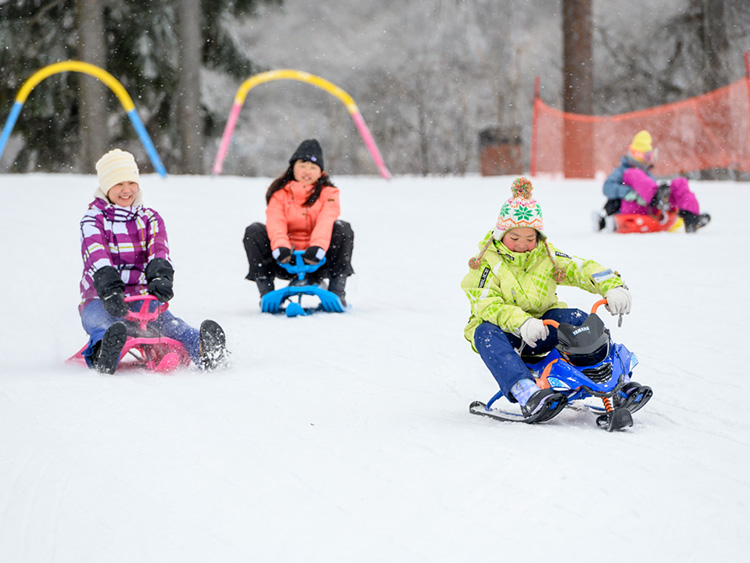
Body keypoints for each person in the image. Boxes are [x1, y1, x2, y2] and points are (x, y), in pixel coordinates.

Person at [461, 177, 633, 423]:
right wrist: (521, 323)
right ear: (501, 235)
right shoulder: (485, 263)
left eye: (530, 239)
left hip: (543, 328)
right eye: (514, 238)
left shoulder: (546, 256)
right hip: (508, 335)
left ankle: (618, 384)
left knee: (577, 319)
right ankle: (528, 393)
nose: (523, 245)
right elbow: (487, 304)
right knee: (484, 332)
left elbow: (580, 268)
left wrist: (612, 286)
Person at [79, 149, 228, 374]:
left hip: (142, 298)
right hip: (100, 297)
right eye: (119, 184)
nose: (127, 190)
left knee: (170, 325)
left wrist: (160, 276)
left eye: (131, 182)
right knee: (103, 324)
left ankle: (204, 349)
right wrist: (109, 288)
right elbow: (95, 255)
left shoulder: (150, 218)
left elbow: (159, 250)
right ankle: (104, 353)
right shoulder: (93, 219)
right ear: (106, 186)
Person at [243, 139, 354, 306]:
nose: (307, 171)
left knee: (342, 228)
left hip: (319, 258)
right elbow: (276, 221)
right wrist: (281, 247)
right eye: (303, 165)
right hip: (285, 259)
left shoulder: (329, 193)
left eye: (313, 167)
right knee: (254, 231)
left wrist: (317, 248)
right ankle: (266, 293)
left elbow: (326, 219)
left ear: (320, 172)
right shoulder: (279, 194)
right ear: (293, 167)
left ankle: (337, 292)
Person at [594, 130, 711, 233]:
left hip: (653, 208)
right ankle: (656, 197)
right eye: (647, 156)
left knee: (679, 183)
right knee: (634, 173)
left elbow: (650, 185)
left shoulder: (647, 173)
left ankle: (691, 217)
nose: (649, 161)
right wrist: (628, 192)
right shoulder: (623, 171)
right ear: (638, 155)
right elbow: (607, 188)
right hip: (632, 207)